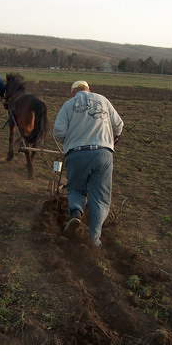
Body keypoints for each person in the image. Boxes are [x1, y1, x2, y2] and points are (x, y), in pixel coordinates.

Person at [53, 80, 124, 247]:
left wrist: (70, 141)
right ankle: (94, 238)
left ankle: (76, 213)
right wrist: (113, 139)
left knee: (76, 188)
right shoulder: (103, 100)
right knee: (99, 197)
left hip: (77, 154)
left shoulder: (68, 104)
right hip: (103, 154)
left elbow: (59, 131)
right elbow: (119, 125)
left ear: (73, 93)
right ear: (89, 90)